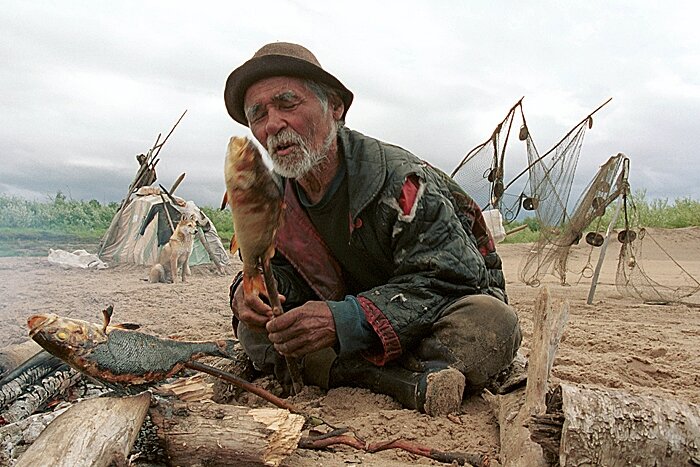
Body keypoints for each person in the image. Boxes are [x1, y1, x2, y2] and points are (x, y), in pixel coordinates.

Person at [224, 42, 522, 416]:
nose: (272, 124)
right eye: (258, 114)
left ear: (335, 107)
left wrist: (345, 319)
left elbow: (456, 279)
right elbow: (282, 271)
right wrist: (252, 294)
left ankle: (348, 371)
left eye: (288, 103)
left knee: (491, 324)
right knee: (258, 330)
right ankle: (400, 380)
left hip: (425, 314)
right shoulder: (273, 197)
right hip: (348, 321)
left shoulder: (400, 182)